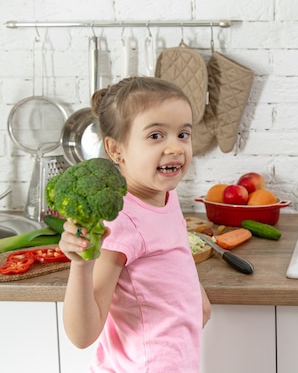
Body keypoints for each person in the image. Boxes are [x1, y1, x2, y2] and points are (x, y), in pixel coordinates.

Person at [58, 77, 211, 372]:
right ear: (116, 150)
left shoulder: (165, 195)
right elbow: (83, 334)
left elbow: (170, 257)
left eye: (183, 134)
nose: (175, 147)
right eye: (156, 136)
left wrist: (198, 298)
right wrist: (80, 264)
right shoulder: (120, 222)